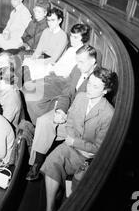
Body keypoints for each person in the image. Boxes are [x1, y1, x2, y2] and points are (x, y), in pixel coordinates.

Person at [41, 68, 115, 211]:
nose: (89, 88)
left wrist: (74, 142)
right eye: (90, 83)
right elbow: (70, 121)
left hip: (89, 157)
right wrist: (70, 136)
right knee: (52, 160)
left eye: (96, 86)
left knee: (80, 188)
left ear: (106, 91)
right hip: (72, 145)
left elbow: (98, 148)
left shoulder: (109, 113)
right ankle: (49, 210)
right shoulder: (81, 97)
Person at [26, 45, 98, 180]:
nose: (78, 65)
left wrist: (67, 115)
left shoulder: (97, 79)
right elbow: (66, 92)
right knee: (43, 120)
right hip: (68, 109)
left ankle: (38, 159)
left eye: (82, 62)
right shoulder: (78, 69)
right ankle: (36, 163)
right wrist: (60, 110)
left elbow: (88, 108)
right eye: (77, 61)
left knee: (45, 123)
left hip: (81, 118)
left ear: (93, 61)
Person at [23, 8, 67, 80]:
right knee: (26, 61)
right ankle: (19, 86)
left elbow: (54, 59)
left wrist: (37, 62)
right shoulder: (46, 31)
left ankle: (29, 87)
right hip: (43, 56)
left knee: (35, 68)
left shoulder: (63, 36)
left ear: (59, 20)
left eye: (53, 20)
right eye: (48, 20)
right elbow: (38, 50)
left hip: (53, 62)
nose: (50, 23)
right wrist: (33, 59)